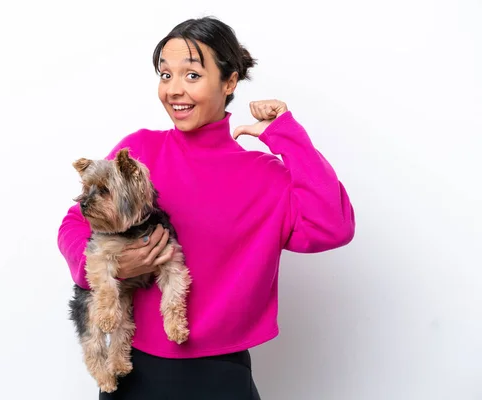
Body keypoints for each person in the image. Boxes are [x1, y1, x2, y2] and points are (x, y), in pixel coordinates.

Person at [57, 16, 355, 400]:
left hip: (220, 374)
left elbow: (333, 226)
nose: (174, 90)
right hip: (134, 367)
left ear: (229, 82)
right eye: (166, 75)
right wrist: (103, 269)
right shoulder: (141, 151)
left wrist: (286, 134)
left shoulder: (265, 176)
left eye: (192, 75)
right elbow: (74, 222)